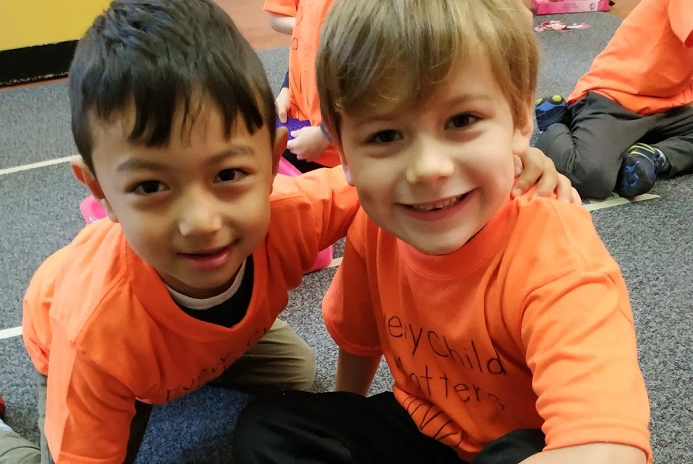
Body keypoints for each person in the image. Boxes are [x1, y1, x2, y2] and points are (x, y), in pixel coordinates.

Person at [0, 1, 572, 463]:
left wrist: (514, 161)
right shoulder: (96, 332)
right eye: (151, 187)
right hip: (74, 342)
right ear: (99, 189)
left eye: (228, 175)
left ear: (273, 161)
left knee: (296, 372)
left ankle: (183, 371)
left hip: (205, 345)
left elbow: (392, 181)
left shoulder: (294, 213)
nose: (201, 222)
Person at [231, 1, 652, 464]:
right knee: (269, 427)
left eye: (461, 121)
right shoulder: (374, 226)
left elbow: (606, 446)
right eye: (386, 136)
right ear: (345, 156)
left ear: (519, 122)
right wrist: (346, 429)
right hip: (422, 423)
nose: (429, 169)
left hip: (516, 446)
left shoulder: (558, 255)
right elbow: (358, 340)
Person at [534, 0, 693, 199]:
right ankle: (555, 125)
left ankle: (652, 156)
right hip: (614, 98)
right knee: (591, 177)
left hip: (669, 105)